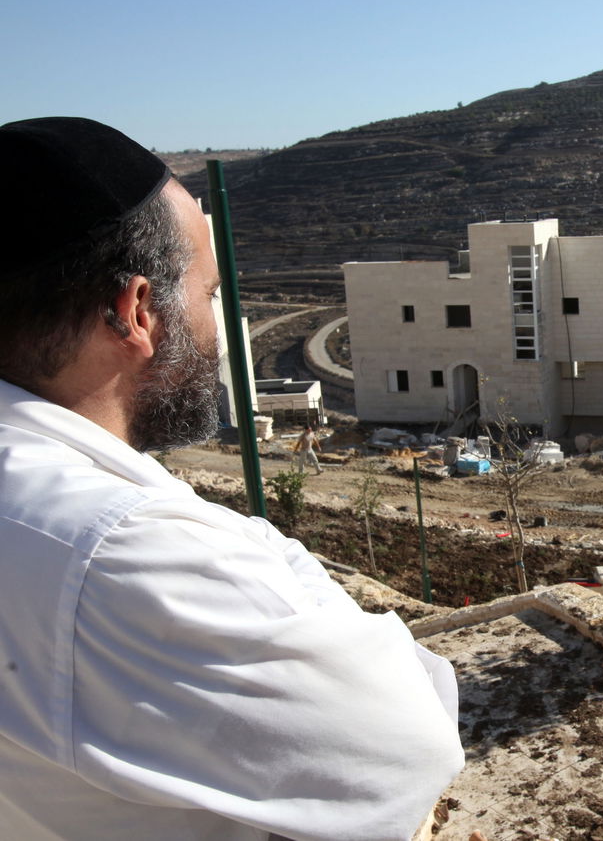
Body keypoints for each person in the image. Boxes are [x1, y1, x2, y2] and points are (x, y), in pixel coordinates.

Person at [0, 117, 465, 839]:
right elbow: (409, 750)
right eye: (210, 293)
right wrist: (272, 556)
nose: (218, 323)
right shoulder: (121, 553)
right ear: (136, 312)